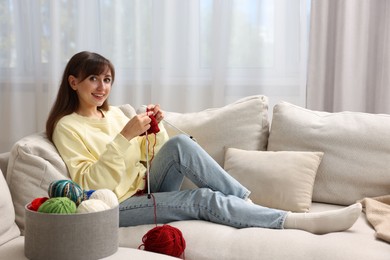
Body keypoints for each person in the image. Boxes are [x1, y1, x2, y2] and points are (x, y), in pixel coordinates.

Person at [46, 51, 362, 234]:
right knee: (201, 200)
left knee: (179, 145)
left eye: (108, 79)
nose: (102, 87)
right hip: (112, 207)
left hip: (145, 187)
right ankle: (293, 222)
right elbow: (88, 183)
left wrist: (152, 131)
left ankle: (245, 202)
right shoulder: (67, 127)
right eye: (94, 79)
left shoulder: (114, 114)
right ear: (73, 82)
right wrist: (125, 136)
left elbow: (149, 155)